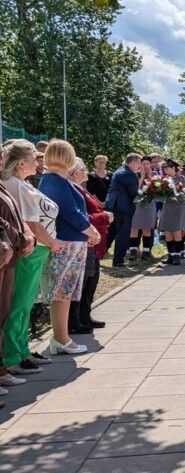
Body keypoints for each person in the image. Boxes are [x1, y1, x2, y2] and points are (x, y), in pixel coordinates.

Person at [1, 140, 62, 375]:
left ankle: (23, 350)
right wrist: (52, 242)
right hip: (31, 250)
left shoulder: (22, 183)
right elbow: (31, 223)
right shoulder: (14, 184)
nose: (38, 161)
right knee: (19, 303)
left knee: (25, 304)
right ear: (21, 162)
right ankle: (13, 355)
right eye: (34, 157)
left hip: (37, 250)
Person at [38, 140, 101, 355]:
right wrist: (90, 230)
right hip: (67, 242)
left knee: (65, 292)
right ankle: (61, 339)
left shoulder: (53, 179)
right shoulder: (55, 181)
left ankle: (61, 338)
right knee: (63, 292)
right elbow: (70, 212)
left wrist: (88, 230)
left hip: (71, 240)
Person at [0, 146, 37, 389]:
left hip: (9, 255)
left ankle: (2, 369)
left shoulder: (3, 185)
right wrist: (21, 237)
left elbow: (14, 215)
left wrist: (25, 235)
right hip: (7, 250)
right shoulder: (10, 183)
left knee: (5, 310)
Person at [67, 158, 110, 333]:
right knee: (83, 281)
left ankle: (85, 316)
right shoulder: (73, 190)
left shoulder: (81, 189)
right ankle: (74, 321)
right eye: (83, 169)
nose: (87, 172)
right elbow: (82, 218)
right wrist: (105, 217)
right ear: (75, 172)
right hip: (84, 241)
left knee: (91, 280)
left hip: (92, 243)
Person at [105, 153, 141, 267]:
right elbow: (133, 193)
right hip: (123, 207)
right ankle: (118, 260)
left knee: (111, 232)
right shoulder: (129, 174)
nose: (139, 165)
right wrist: (145, 196)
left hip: (114, 205)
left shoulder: (120, 170)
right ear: (133, 162)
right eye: (139, 162)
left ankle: (100, 253)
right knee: (123, 234)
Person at [158, 160, 185, 265]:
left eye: (167, 167)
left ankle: (178, 255)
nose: (165, 169)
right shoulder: (162, 179)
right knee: (168, 231)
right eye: (163, 168)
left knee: (177, 231)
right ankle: (171, 255)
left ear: (173, 168)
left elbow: (184, 191)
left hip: (178, 206)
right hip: (168, 206)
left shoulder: (181, 178)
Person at [129, 156, 157, 261]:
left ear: (150, 165)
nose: (145, 166)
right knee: (134, 227)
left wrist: (150, 178)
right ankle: (133, 251)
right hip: (137, 204)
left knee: (147, 227)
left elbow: (156, 190)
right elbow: (134, 189)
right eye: (143, 164)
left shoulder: (154, 175)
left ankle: (146, 251)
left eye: (147, 164)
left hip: (149, 204)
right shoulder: (134, 175)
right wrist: (141, 177)